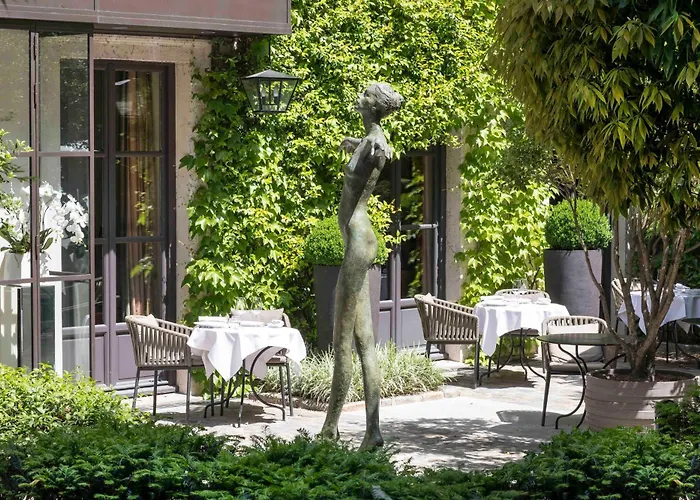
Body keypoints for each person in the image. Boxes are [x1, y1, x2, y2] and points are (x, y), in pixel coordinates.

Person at [319, 83, 403, 450]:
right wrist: (355, 144)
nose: (360, 97)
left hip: (357, 241)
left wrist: (370, 146)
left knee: (342, 340)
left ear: (375, 106)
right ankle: (373, 432)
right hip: (357, 240)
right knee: (364, 341)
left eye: (366, 94)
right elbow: (370, 147)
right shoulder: (369, 140)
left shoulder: (376, 143)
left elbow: (378, 150)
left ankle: (330, 428)